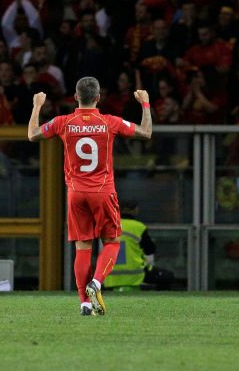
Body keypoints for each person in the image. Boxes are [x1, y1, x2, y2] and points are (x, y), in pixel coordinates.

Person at [27, 76, 151, 316]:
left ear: (75, 97)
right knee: (112, 241)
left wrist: (37, 106)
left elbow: (32, 134)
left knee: (83, 247)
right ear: (98, 98)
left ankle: (84, 302)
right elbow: (146, 132)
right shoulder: (109, 122)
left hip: (75, 193)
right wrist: (145, 103)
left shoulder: (64, 122)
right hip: (103, 191)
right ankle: (96, 282)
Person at [104, 201, 174, 291]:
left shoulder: (109, 226)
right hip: (135, 275)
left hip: (111, 277)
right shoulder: (138, 227)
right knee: (167, 276)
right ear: (135, 210)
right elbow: (150, 250)